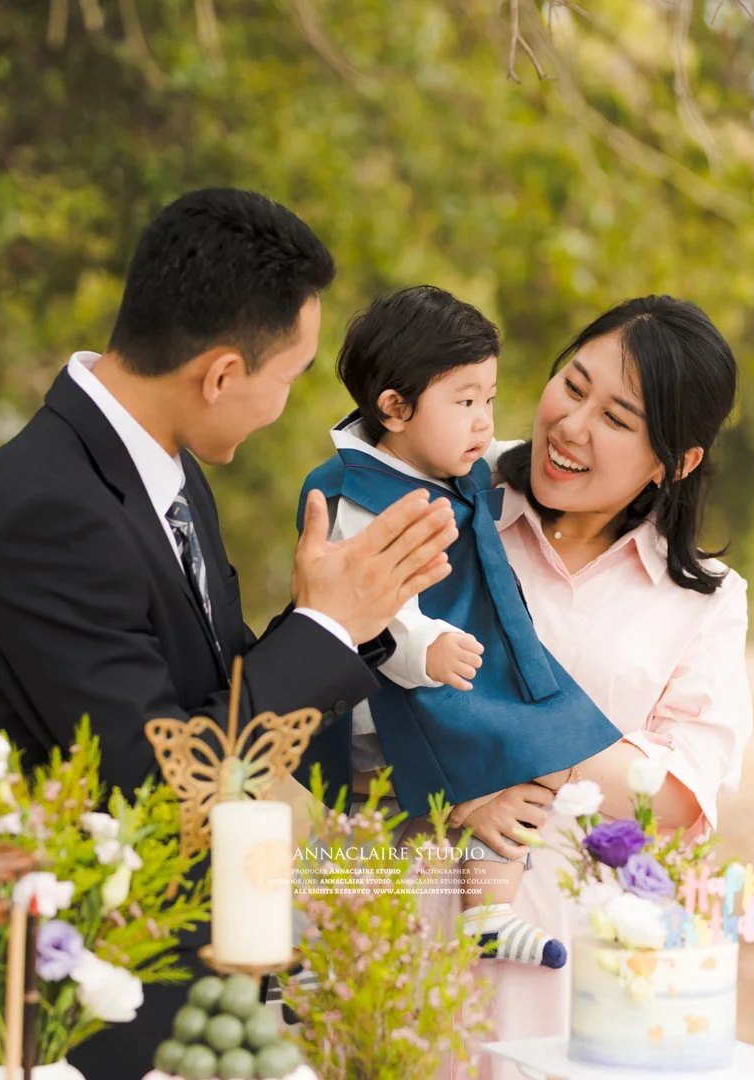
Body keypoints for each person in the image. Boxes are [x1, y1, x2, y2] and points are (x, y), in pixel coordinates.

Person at [0, 189, 458, 1080]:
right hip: (97, 1001)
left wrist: (353, 626)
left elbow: (210, 694)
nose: (284, 403)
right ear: (222, 373)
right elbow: (160, 777)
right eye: (290, 376)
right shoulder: (47, 508)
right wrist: (325, 628)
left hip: (200, 975)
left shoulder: (165, 465)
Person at [449, 296, 754, 1078]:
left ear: (676, 461)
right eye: (572, 385)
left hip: (576, 961)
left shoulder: (706, 601)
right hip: (407, 906)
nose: (572, 426)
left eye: (618, 418)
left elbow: (678, 792)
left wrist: (495, 738)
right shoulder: (449, 493)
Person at [297, 286, 622, 971]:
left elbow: (513, 456)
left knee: (547, 744)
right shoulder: (358, 497)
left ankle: (489, 910)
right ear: (394, 407)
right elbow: (374, 608)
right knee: (505, 755)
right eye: (466, 400)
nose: (483, 422)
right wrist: (425, 648)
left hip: (450, 673)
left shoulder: (441, 458)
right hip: (396, 690)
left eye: (489, 399)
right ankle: (375, 939)